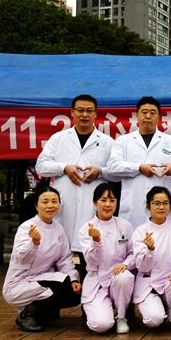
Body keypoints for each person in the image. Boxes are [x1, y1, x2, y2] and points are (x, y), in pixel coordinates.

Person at [35, 94, 115, 273]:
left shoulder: (107, 142)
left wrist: (100, 171)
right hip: (65, 202)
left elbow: (117, 173)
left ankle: (89, 283)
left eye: (89, 111)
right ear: (72, 112)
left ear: (96, 114)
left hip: (93, 204)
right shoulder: (58, 139)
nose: (84, 115)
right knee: (60, 252)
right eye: (80, 110)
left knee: (92, 251)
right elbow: (41, 166)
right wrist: (64, 168)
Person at [3, 186, 82, 332]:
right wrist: (33, 243)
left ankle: (43, 310)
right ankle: (27, 315)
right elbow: (20, 257)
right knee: (63, 284)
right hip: (20, 283)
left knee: (74, 293)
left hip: (43, 279)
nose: (50, 205)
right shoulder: (27, 227)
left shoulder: (59, 229)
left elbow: (64, 260)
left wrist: (73, 280)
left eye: (54, 201)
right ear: (36, 205)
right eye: (45, 202)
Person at [108, 96, 171, 228]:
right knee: (132, 240)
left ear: (159, 117)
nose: (148, 116)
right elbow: (112, 167)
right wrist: (139, 168)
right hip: (133, 210)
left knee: (162, 240)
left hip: (161, 210)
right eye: (144, 112)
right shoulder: (123, 141)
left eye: (152, 113)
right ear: (137, 115)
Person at [131, 186, 171, 333]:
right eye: (156, 203)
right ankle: (160, 311)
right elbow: (142, 267)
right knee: (154, 320)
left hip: (170, 281)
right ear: (148, 206)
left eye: (165, 203)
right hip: (148, 284)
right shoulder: (140, 231)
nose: (161, 207)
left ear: (170, 205)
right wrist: (149, 250)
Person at [79, 182, 135, 334]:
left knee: (124, 277)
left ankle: (122, 317)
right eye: (103, 200)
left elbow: (133, 253)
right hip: (97, 280)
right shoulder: (86, 228)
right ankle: (101, 311)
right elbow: (91, 260)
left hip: (118, 276)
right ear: (94, 203)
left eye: (112, 200)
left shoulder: (125, 226)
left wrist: (125, 265)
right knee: (101, 325)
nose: (108, 204)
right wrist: (96, 240)